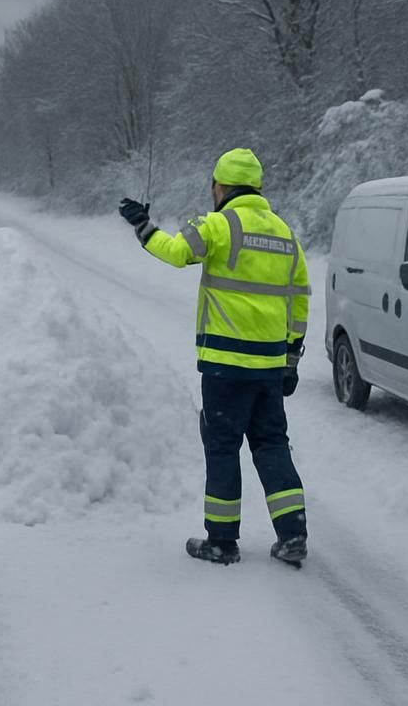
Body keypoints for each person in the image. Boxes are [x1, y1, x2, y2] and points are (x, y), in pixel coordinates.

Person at [119, 148, 311, 567]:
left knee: (222, 447)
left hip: (226, 365)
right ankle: (293, 535)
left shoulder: (218, 225)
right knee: (272, 444)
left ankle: (222, 542)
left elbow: (174, 252)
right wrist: (292, 357)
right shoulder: (284, 233)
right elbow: (299, 300)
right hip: (269, 367)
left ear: (220, 187)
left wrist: (143, 226)